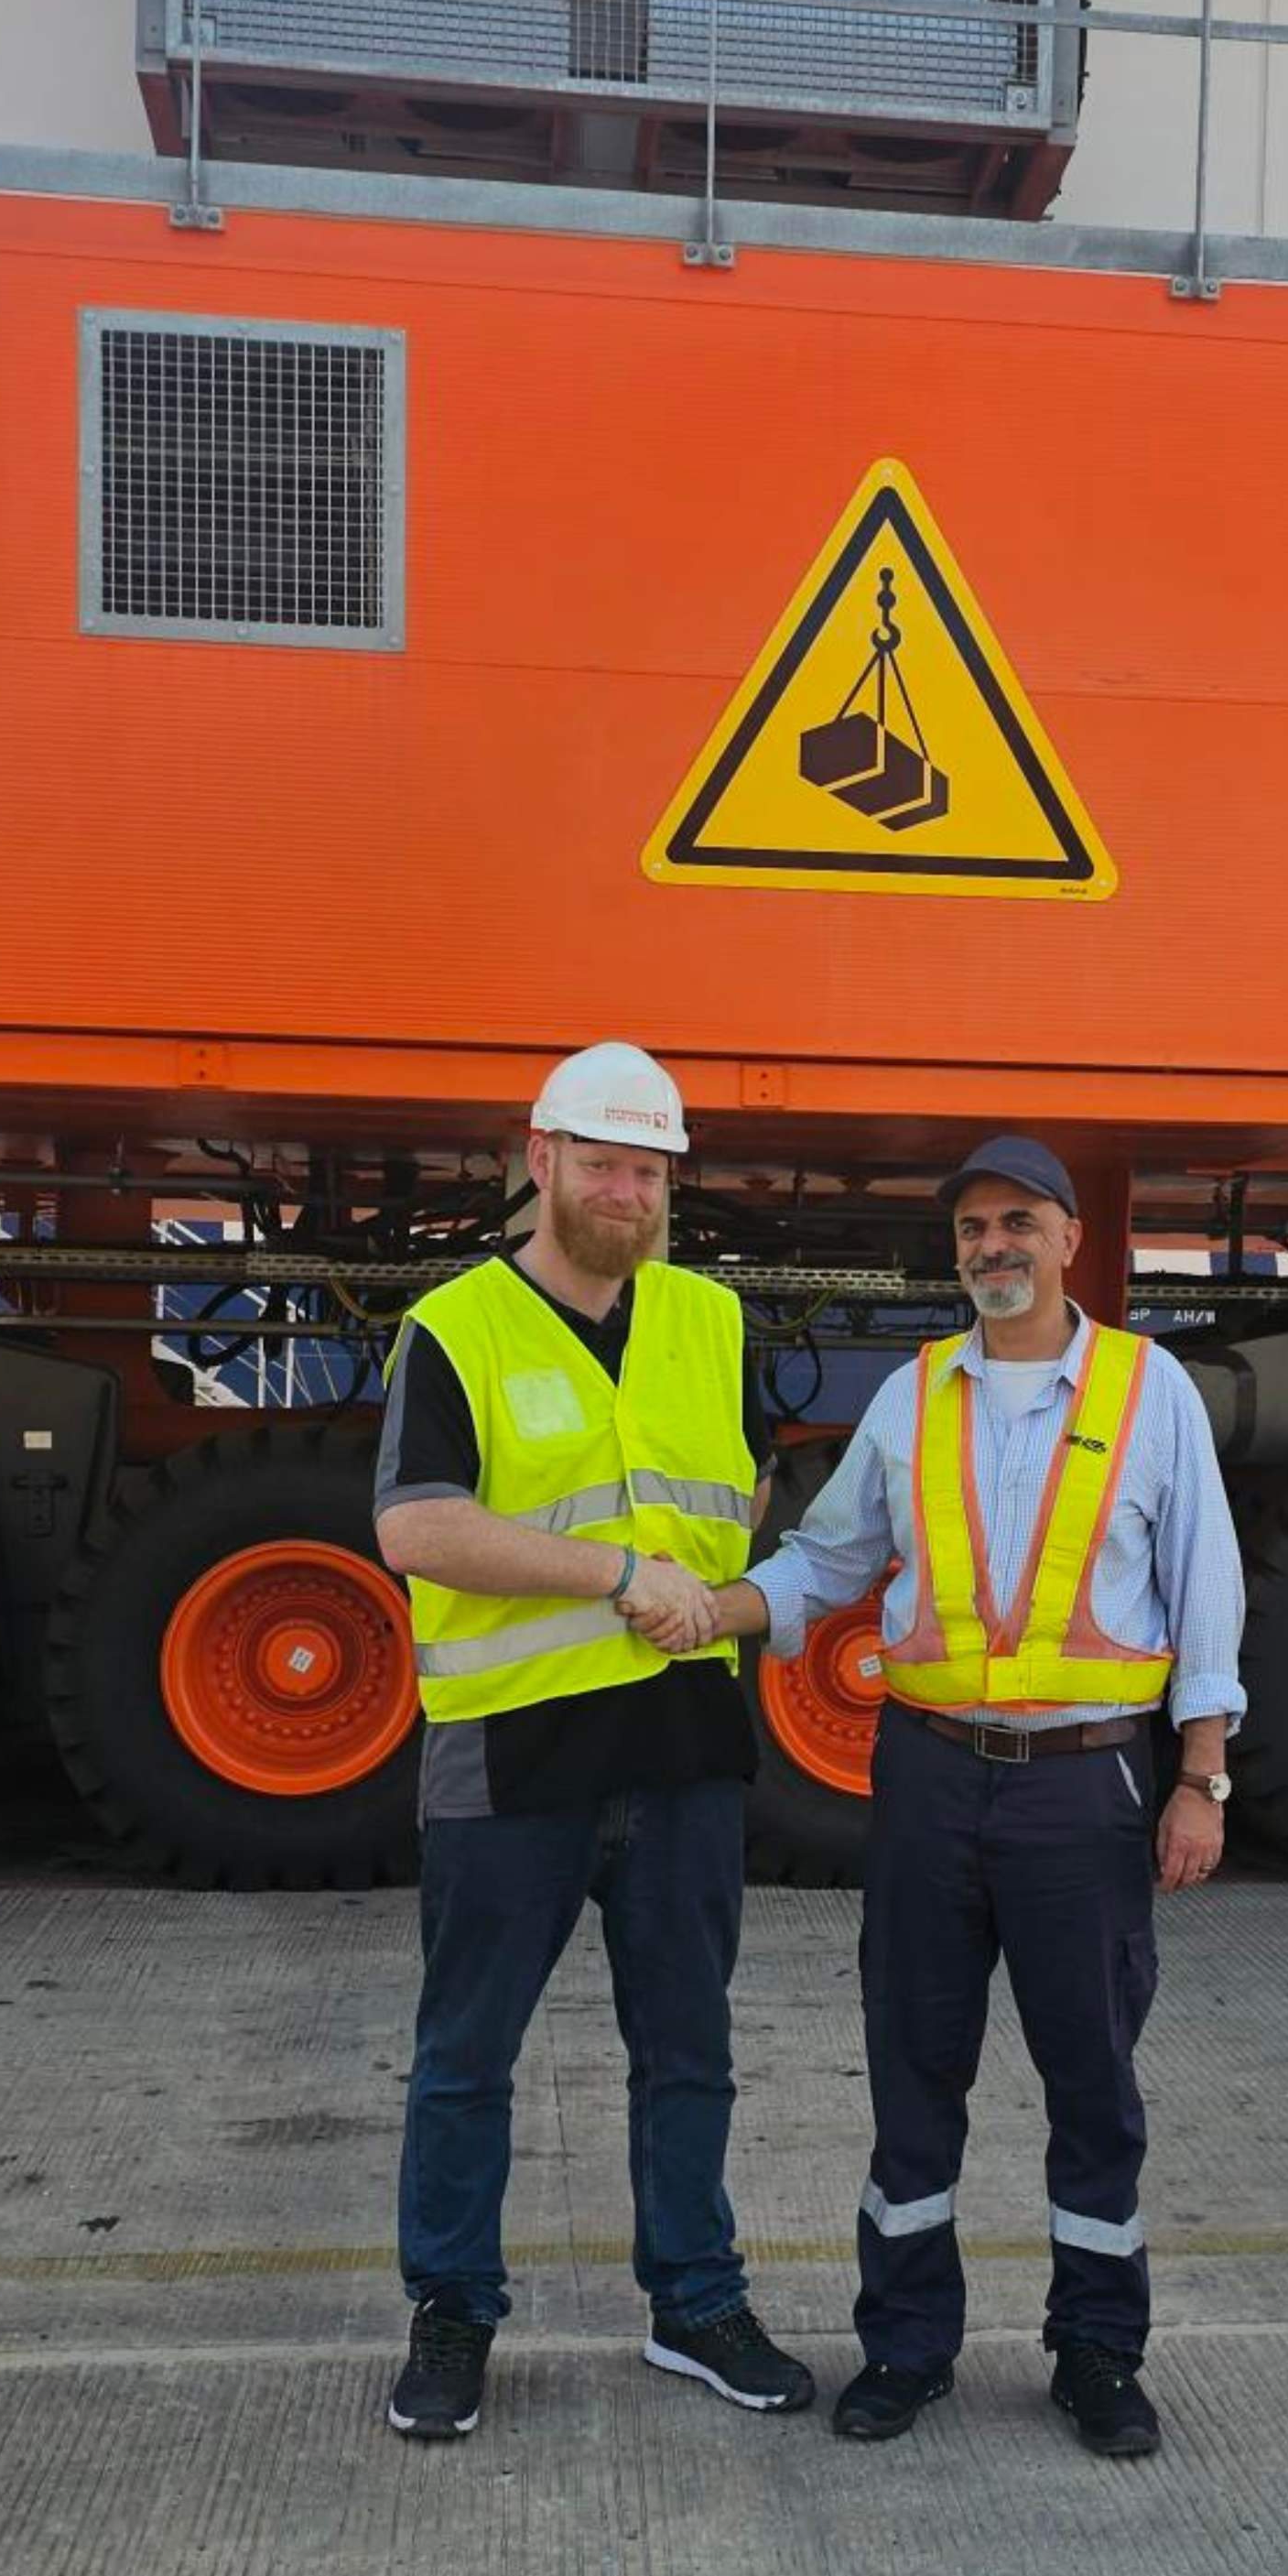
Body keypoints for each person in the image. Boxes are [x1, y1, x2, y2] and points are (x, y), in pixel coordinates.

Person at [715, 1132, 1245, 2461]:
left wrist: (1201, 1779)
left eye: (1017, 1224)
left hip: (1089, 1788)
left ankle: (1100, 2356)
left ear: (1072, 1239)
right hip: (931, 1778)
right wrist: (723, 1607)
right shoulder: (915, 1397)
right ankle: (905, 2347)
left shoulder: (1148, 1388)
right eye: (970, 1231)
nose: (991, 1249)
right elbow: (831, 1559)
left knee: (1093, 2083)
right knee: (913, 2072)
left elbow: (1209, 1593)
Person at [365, 1041, 817, 2440]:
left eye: (650, 1168)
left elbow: (738, 1503)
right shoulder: (458, 1327)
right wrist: (617, 1578)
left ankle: (697, 2302)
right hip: (512, 1760)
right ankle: (453, 2316)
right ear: (541, 1159)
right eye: (604, 1161)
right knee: (467, 2058)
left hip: (682, 1755)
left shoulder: (709, 1321)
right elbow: (414, 1525)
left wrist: (717, 1589)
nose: (627, 1190)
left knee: (688, 2050)